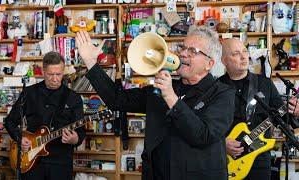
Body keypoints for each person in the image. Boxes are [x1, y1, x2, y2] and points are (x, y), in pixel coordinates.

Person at [76, 26, 235, 179]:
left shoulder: (222, 94)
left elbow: (203, 135)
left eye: (192, 51)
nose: (183, 54)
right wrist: (90, 61)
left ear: (209, 64)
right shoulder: (164, 87)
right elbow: (117, 99)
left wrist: (171, 98)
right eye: (182, 48)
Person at [4, 51, 86, 180]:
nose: (54, 78)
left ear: (63, 71)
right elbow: (10, 122)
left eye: (58, 74)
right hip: (32, 161)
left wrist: (74, 139)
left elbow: (80, 132)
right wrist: (20, 138)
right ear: (43, 72)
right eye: (50, 74)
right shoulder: (29, 93)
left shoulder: (73, 98)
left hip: (61, 162)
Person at [219, 38, 287, 179]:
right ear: (224, 61)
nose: (244, 57)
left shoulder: (265, 84)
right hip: (224, 160)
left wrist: (295, 111)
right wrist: (221, 142)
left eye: (245, 51)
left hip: (259, 162)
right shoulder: (216, 87)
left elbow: (284, 116)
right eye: (236, 53)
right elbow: (204, 125)